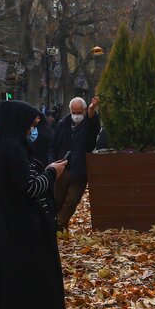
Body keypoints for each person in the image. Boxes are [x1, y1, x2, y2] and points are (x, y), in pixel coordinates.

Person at [0, 101, 71, 309]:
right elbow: (28, 189)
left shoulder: (6, 145)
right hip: (23, 233)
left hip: (17, 230)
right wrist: (51, 173)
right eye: (31, 126)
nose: (33, 130)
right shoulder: (12, 149)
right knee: (30, 286)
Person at [49, 96, 101, 233]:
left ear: (84, 111)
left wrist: (91, 110)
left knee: (71, 201)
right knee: (58, 199)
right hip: (62, 168)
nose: (77, 115)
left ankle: (58, 223)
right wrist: (53, 162)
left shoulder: (88, 125)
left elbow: (93, 126)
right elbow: (53, 145)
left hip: (80, 170)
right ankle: (59, 228)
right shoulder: (63, 124)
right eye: (74, 112)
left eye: (80, 112)